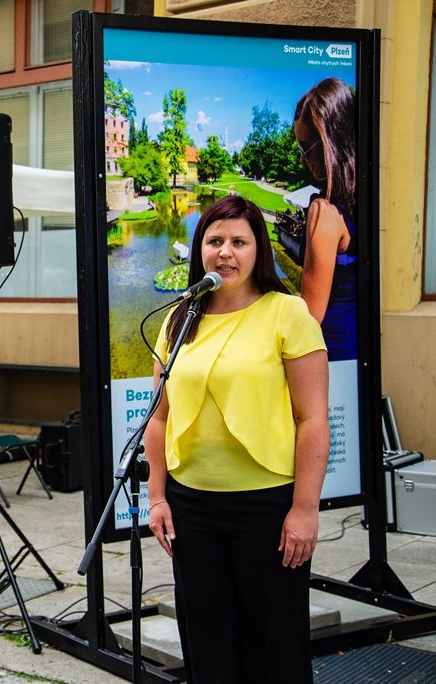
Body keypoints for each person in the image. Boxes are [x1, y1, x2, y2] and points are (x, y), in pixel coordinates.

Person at [145, 196, 330, 683]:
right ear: (199, 249)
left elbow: (312, 419)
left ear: (258, 250)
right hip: (192, 507)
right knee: (207, 642)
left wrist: (305, 508)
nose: (225, 253)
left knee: (275, 643)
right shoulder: (179, 318)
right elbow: (158, 416)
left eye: (238, 242)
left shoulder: (287, 313)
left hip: (266, 507)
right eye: (214, 241)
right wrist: (158, 496)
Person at [294, 77, 357, 361]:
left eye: (306, 147)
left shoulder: (324, 211)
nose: (302, 160)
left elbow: (309, 316)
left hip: (331, 357)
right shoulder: (360, 203)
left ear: (329, 141)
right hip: (358, 351)